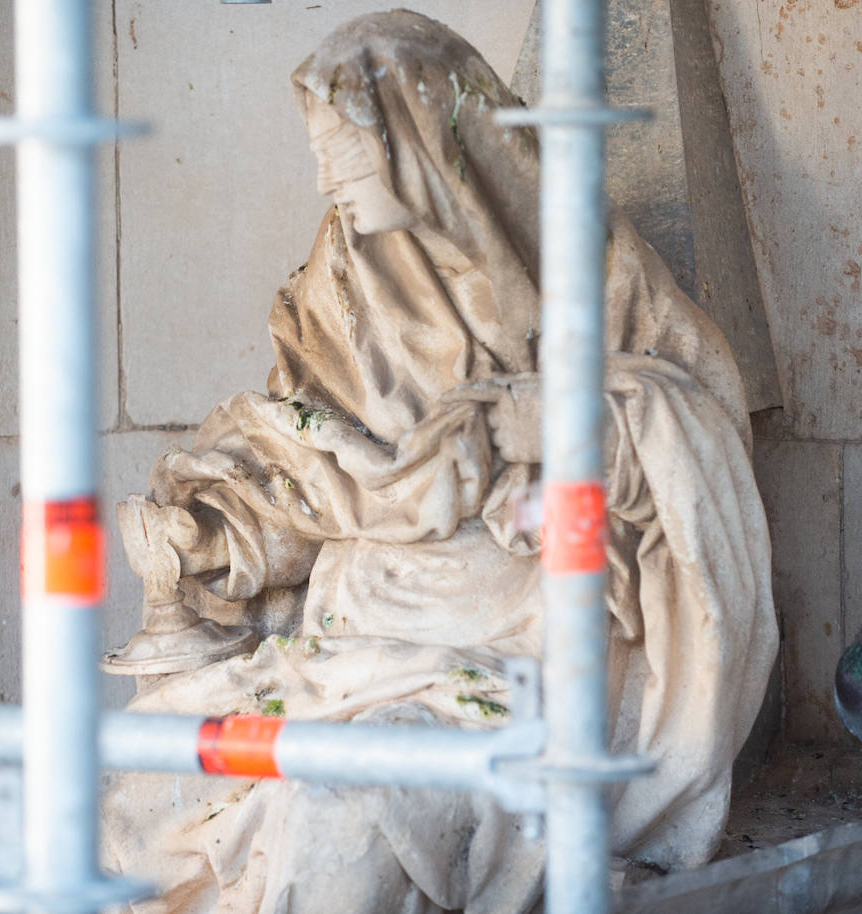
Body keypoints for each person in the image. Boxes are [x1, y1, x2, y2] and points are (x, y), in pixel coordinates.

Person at [102, 12, 777, 913]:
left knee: (341, 827)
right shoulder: (340, 279)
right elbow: (309, 461)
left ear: (420, 143)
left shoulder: (585, 269)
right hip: (340, 651)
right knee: (134, 798)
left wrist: (560, 423)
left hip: (503, 659)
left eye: (343, 151)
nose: (323, 180)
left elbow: (698, 433)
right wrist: (218, 529)